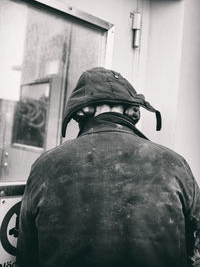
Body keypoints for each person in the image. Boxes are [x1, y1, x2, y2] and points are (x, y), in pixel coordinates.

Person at [17, 67, 200, 267]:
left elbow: (27, 256)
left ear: (81, 111)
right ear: (133, 111)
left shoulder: (45, 166)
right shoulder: (175, 165)